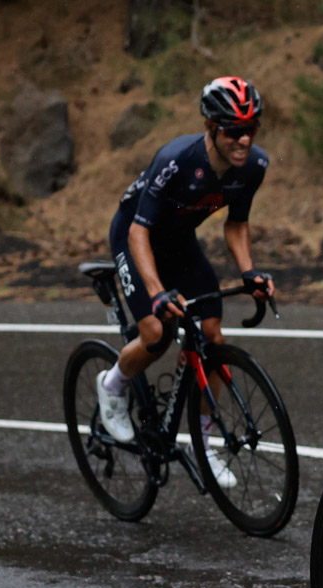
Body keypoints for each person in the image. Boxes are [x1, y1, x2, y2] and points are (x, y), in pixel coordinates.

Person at [95, 76, 274, 488]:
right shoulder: (176, 159)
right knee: (156, 332)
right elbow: (140, 232)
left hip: (178, 243)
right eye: (233, 130)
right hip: (134, 235)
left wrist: (248, 272)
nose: (244, 140)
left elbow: (237, 224)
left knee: (212, 337)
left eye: (251, 129)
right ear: (212, 128)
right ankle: (113, 385)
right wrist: (157, 293)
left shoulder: (253, 167)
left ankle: (203, 442)